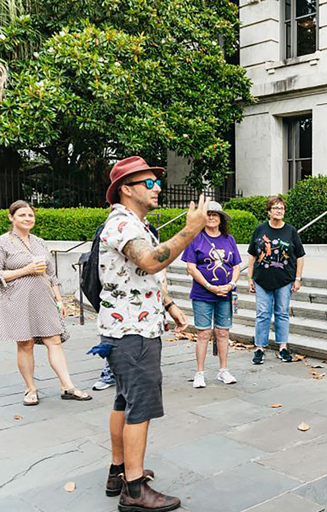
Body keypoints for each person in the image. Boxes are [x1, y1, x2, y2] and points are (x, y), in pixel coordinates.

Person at [98, 156, 208, 511]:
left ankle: (119, 471)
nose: (157, 187)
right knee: (139, 408)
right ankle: (134, 490)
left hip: (130, 326)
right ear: (126, 190)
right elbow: (150, 261)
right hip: (132, 332)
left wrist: (171, 307)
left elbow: (144, 277)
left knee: (123, 401)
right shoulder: (122, 223)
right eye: (148, 183)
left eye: (156, 181)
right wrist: (191, 230)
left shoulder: (135, 224)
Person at [0, 200, 91, 406]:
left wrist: (59, 299)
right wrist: (26, 270)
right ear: (11, 217)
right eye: (22, 215)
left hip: (44, 298)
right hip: (17, 300)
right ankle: (30, 389)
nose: (27, 218)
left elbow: (51, 274)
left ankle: (67, 386)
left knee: (55, 341)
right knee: (25, 344)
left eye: (30, 215)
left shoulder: (40, 242)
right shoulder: (3, 242)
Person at [182, 201, 241, 388]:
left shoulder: (228, 239)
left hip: (225, 293)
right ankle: (200, 372)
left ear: (221, 218)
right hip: (202, 294)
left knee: (223, 332)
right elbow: (191, 267)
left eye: (216, 214)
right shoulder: (195, 239)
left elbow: (237, 265)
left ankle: (223, 370)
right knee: (203, 333)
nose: (212, 217)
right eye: (208, 214)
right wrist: (209, 286)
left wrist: (231, 284)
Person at [247, 195, 305, 364]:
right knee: (263, 314)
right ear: (269, 212)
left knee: (282, 313)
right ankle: (259, 348)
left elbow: (300, 256)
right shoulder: (260, 230)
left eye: (281, 208)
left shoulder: (291, 231)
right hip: (261, 280)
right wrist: (250, 278)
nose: (279, 211)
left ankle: (283, 347)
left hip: (284, 280)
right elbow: (252, 255)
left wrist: (298, 278)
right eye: (275, 208)